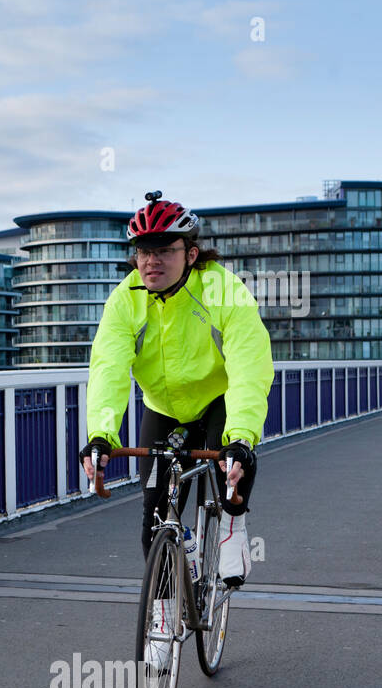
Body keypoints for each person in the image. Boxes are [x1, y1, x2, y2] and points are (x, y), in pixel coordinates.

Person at [79, 191, 274, 602]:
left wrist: (241, 437)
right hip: (163, 409)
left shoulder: (223, 288)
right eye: (143, 251)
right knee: (154, 518)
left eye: (165, 250)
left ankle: (232, 527)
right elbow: (108, 369)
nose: (152, 261)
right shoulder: (124, 300)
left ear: (191, 254)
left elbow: (249, 365)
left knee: (234, 459)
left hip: (218, 397)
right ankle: (163, 622)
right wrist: (101, 435)